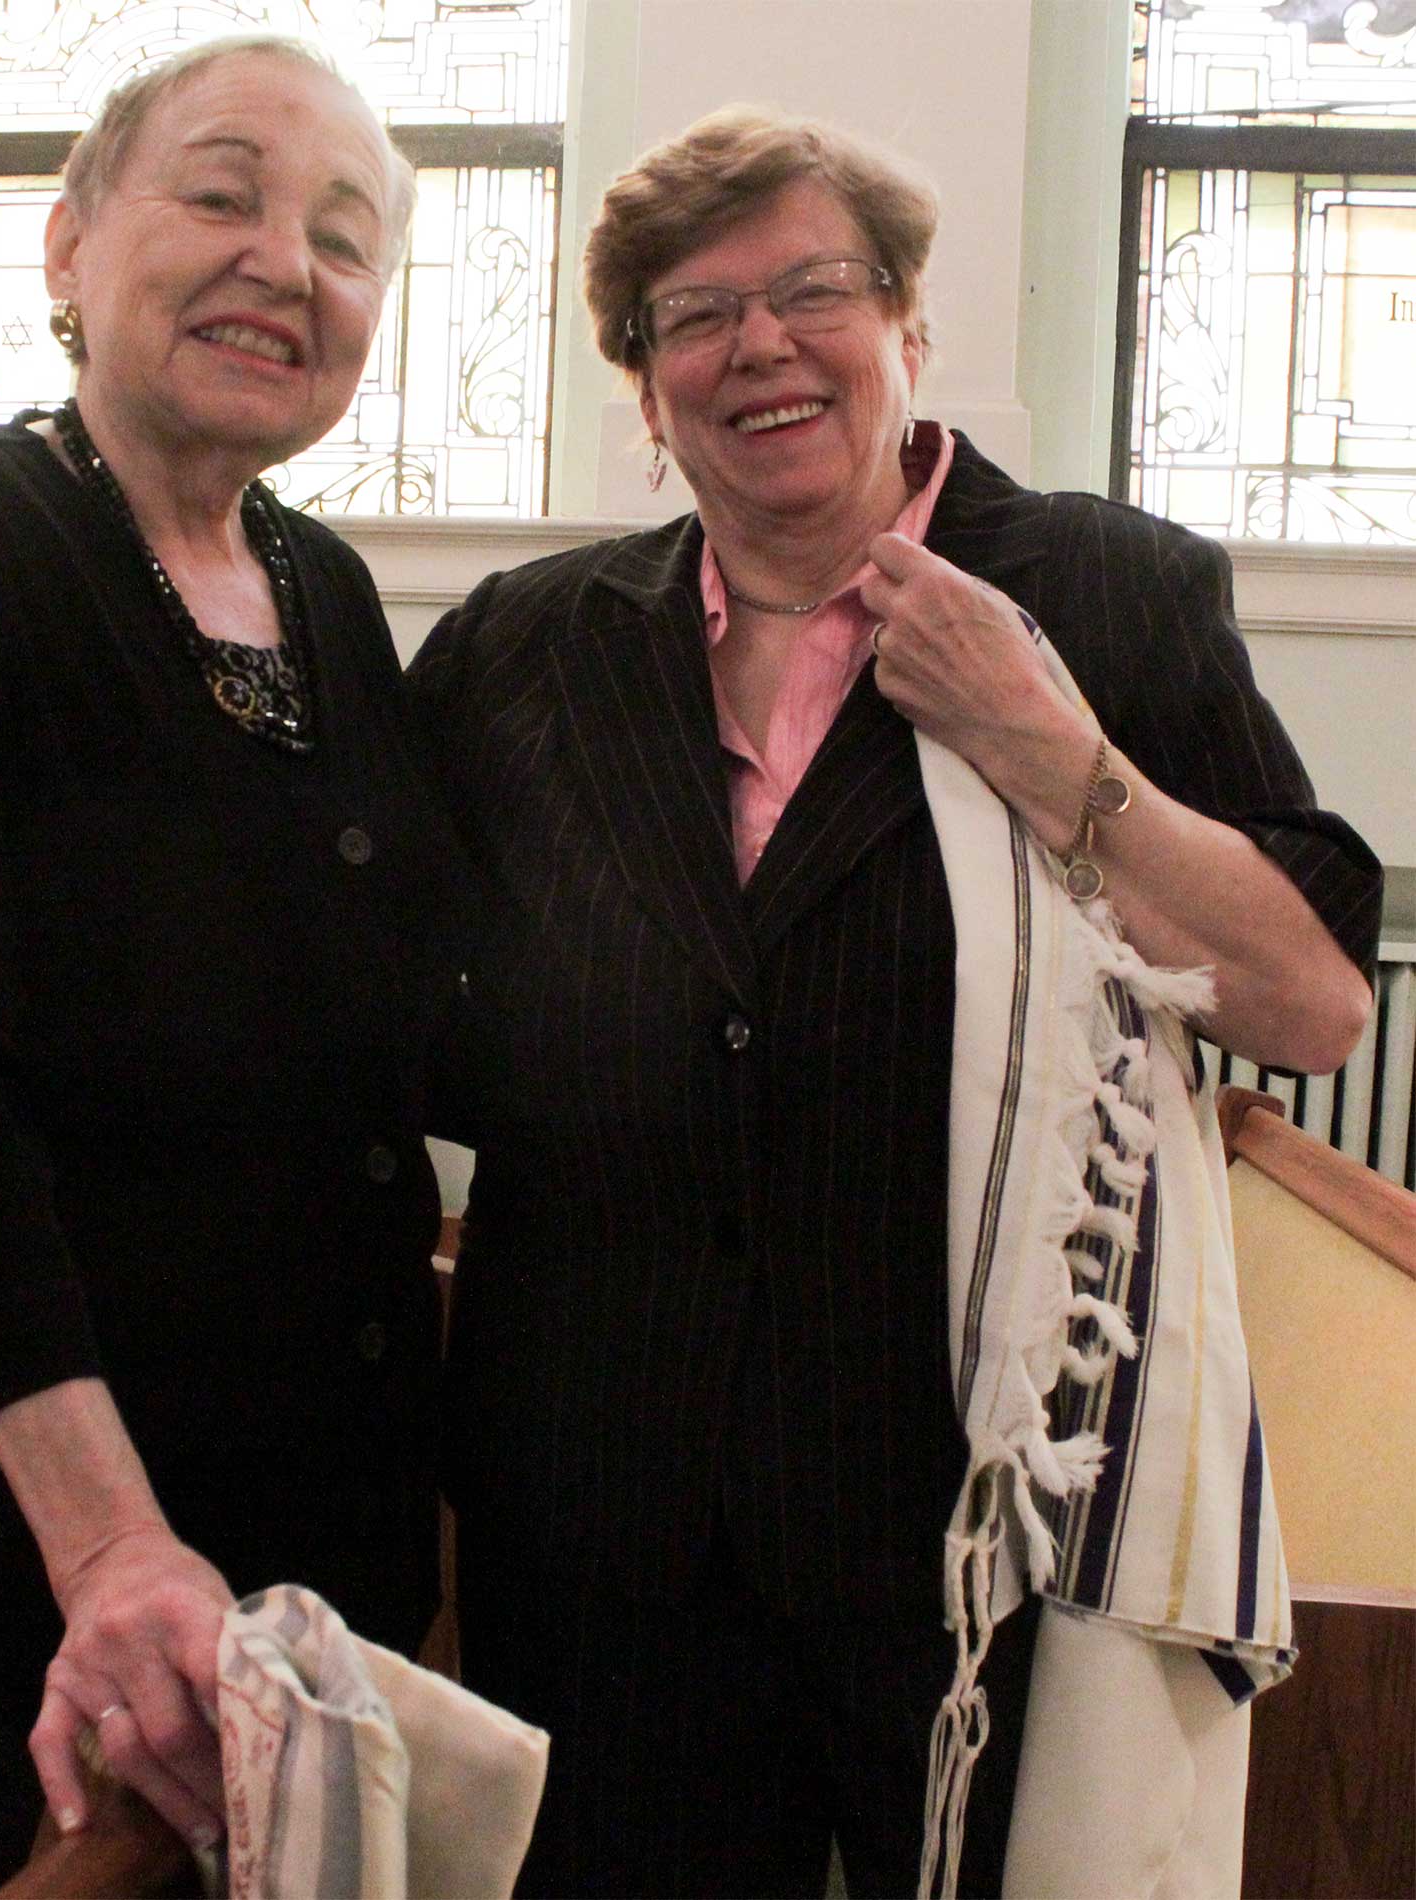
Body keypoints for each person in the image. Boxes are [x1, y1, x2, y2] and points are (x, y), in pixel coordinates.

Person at [409, 108, 1383, 1897]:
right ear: (644, 386)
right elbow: (413, 1004)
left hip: (972, 1514)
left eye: (812, 291)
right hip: (605, 1510)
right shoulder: (524, 644)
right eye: (694, 315)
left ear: (905, 325)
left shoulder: (1102, 589)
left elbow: (1308, 1006)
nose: (757, 345)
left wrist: (1040, 739)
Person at [0, 36, 464, 1898]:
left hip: (307, 1541)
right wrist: (111, 1554)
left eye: (345, 238)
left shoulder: (326, 591)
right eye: (221, 194)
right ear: (70, 245)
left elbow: (390, 1015)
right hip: (39, 1568)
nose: (284, 261)